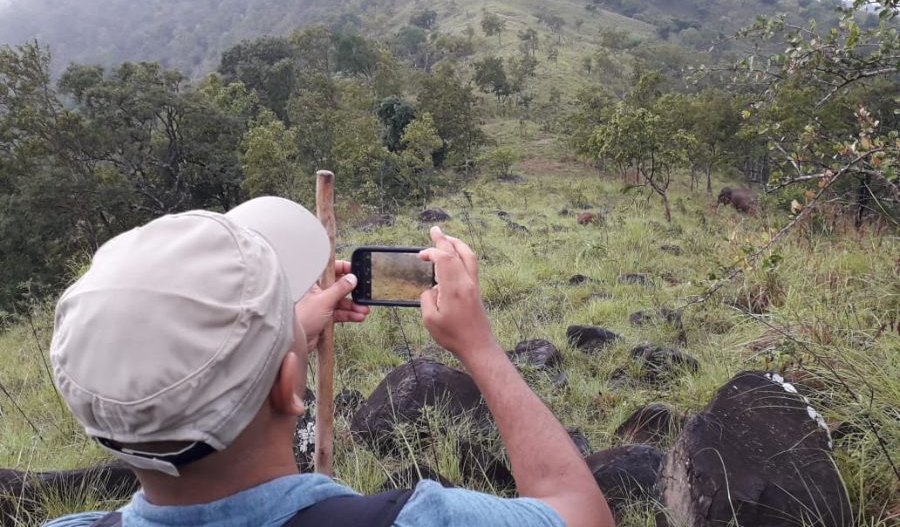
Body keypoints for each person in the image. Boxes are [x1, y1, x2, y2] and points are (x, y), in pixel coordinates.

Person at [45, 196, 612, 527]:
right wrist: (480, 346)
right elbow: (580, 511)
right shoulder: (419, 519)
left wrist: (286, 338)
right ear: (291, 386)